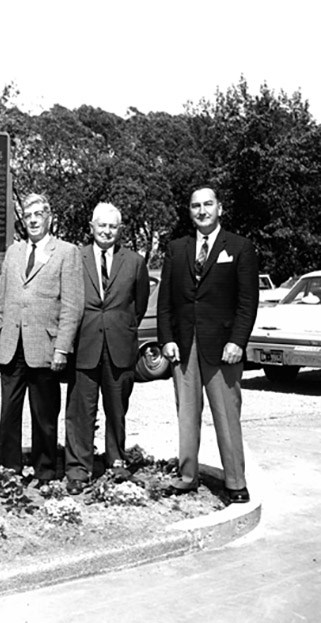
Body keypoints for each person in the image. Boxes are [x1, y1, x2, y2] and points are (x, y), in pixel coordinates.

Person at [157, 186, 259, 503]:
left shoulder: (240, 248)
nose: (202, 211)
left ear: (220, 208)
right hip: (184, 346)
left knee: (227, 416)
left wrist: (237, 342)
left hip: (223, 347)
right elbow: (165, 304)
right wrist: (167, 340)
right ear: (189, 211)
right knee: (187, 415)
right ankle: (187, 477)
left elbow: (247, 303)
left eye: (208, 205)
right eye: (195, 206)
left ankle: (235, 482)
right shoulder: (177, 249)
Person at [0, 193, 84, 484]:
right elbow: (1, 300)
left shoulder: (66, 252)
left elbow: (72, 306)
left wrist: (62, 349)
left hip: (45, 347)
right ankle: (8, 472)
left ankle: (45, 473)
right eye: (28, 215)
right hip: (11, 347)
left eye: (38, 214)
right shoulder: (13, 252)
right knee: (8, 415)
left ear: (49, 218)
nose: (32, 220)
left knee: (44, 417)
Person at [64, 203, 150, 495]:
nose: (106, 231)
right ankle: (78, 469)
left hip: (119, 347)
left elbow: (138, 306)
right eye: (101, 225)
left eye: (113, 226)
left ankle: (115, 463)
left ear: (120, 230)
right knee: (80, 412)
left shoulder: (135, 262)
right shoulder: (76, 257)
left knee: (117, 411)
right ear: (91, 227)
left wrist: (118, 326)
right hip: (84, 345)